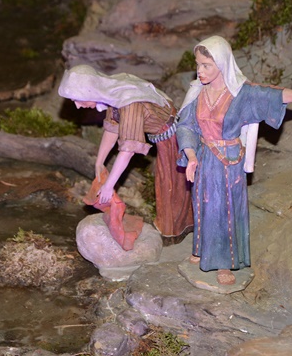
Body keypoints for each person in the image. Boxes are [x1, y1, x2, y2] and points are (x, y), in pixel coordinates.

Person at [176, 35, 292, 285]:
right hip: (204, 159)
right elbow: (186, 126)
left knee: (225, 210)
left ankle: (225, 262)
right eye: (198, 64)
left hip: (228, 163)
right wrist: (191, 156)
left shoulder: (241, 94)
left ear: (222, 64)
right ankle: (202, 249)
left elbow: (269, 96)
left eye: (206, 65)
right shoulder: (197, 92)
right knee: (203, 205)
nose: (199, 70)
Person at [59, 64, 194, 241]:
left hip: (172, 138)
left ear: (90, 91)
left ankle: (175, 229)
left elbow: (127, 150)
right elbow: (112, 129)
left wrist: (109, 186)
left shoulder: (129, 103)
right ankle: (171, 225)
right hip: (161, 136)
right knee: (167, 183)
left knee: (171, 184)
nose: (77, 106)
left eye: (78, 99)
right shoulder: (112, 94)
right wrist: (99, 161)